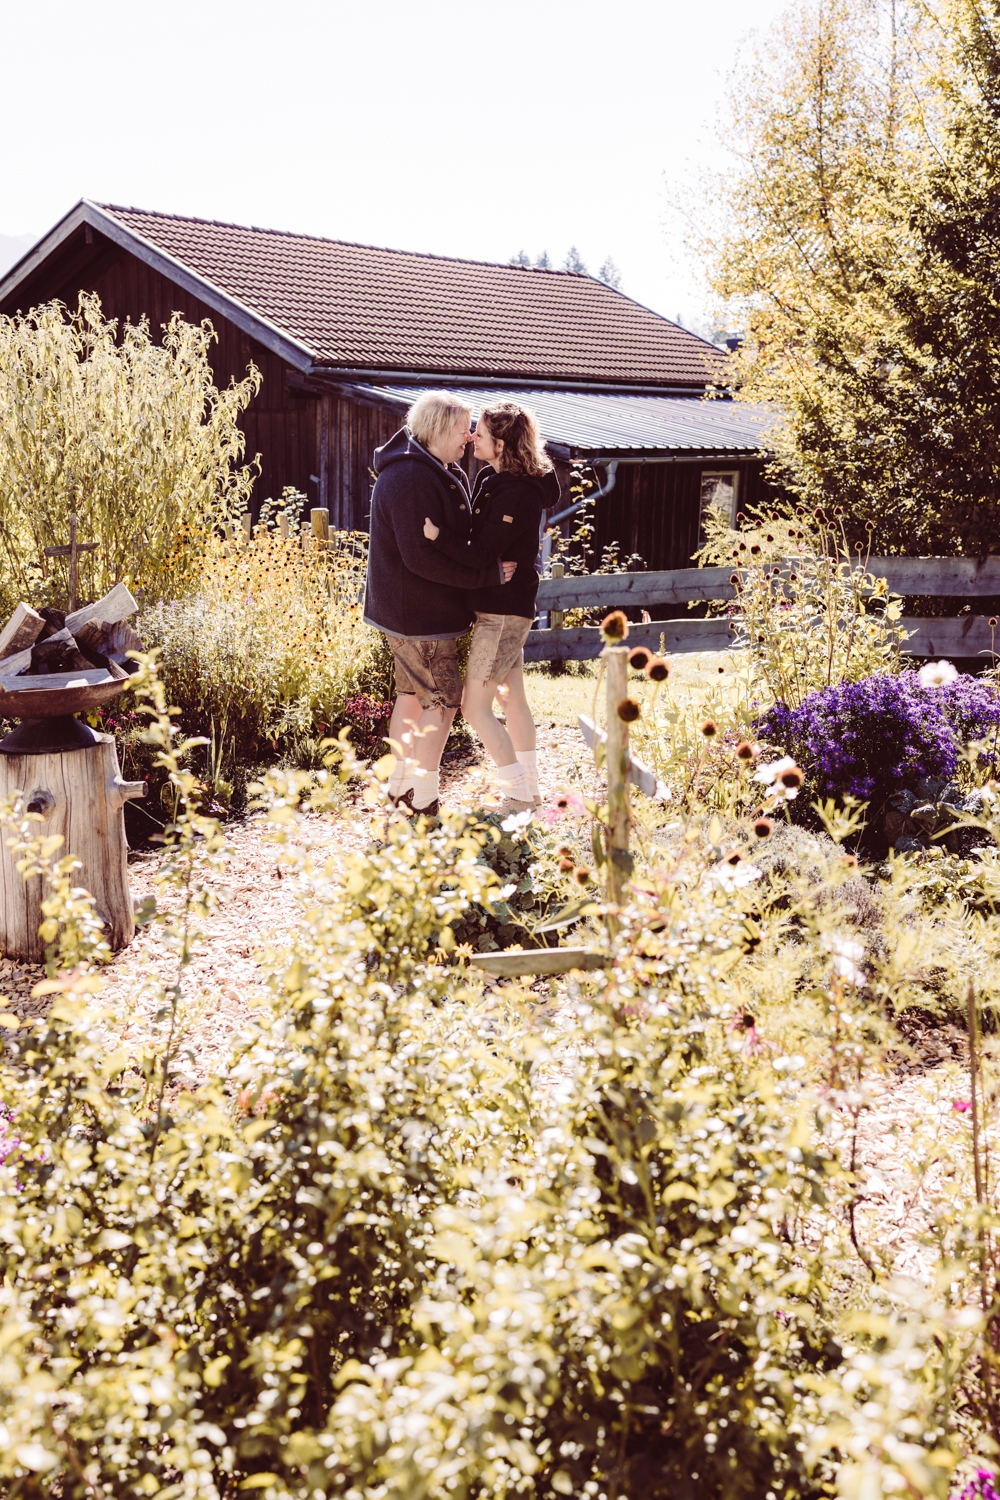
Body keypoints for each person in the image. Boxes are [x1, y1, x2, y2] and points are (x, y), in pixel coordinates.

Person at [363, 391, 516, 816]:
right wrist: (483, 576)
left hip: (409, 614)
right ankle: (422, 801)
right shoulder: (412, 478)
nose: (469, 438)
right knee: (443, 703)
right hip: (420, 617)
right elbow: (418, 558)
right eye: (464, 428)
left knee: (411, 698)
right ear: (440, 429)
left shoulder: (429, 469)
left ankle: (397, 793)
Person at [423, 400, 559, 811]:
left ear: (500, 444)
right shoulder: (492, 478)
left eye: (478, 434)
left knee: (474, 707)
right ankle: (531, 789)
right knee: (511, 699)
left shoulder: (516, 494)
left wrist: (438, 538)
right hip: (502, 609)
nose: (470, 438)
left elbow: (482, 551)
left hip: (502, 613)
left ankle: (518, 797)